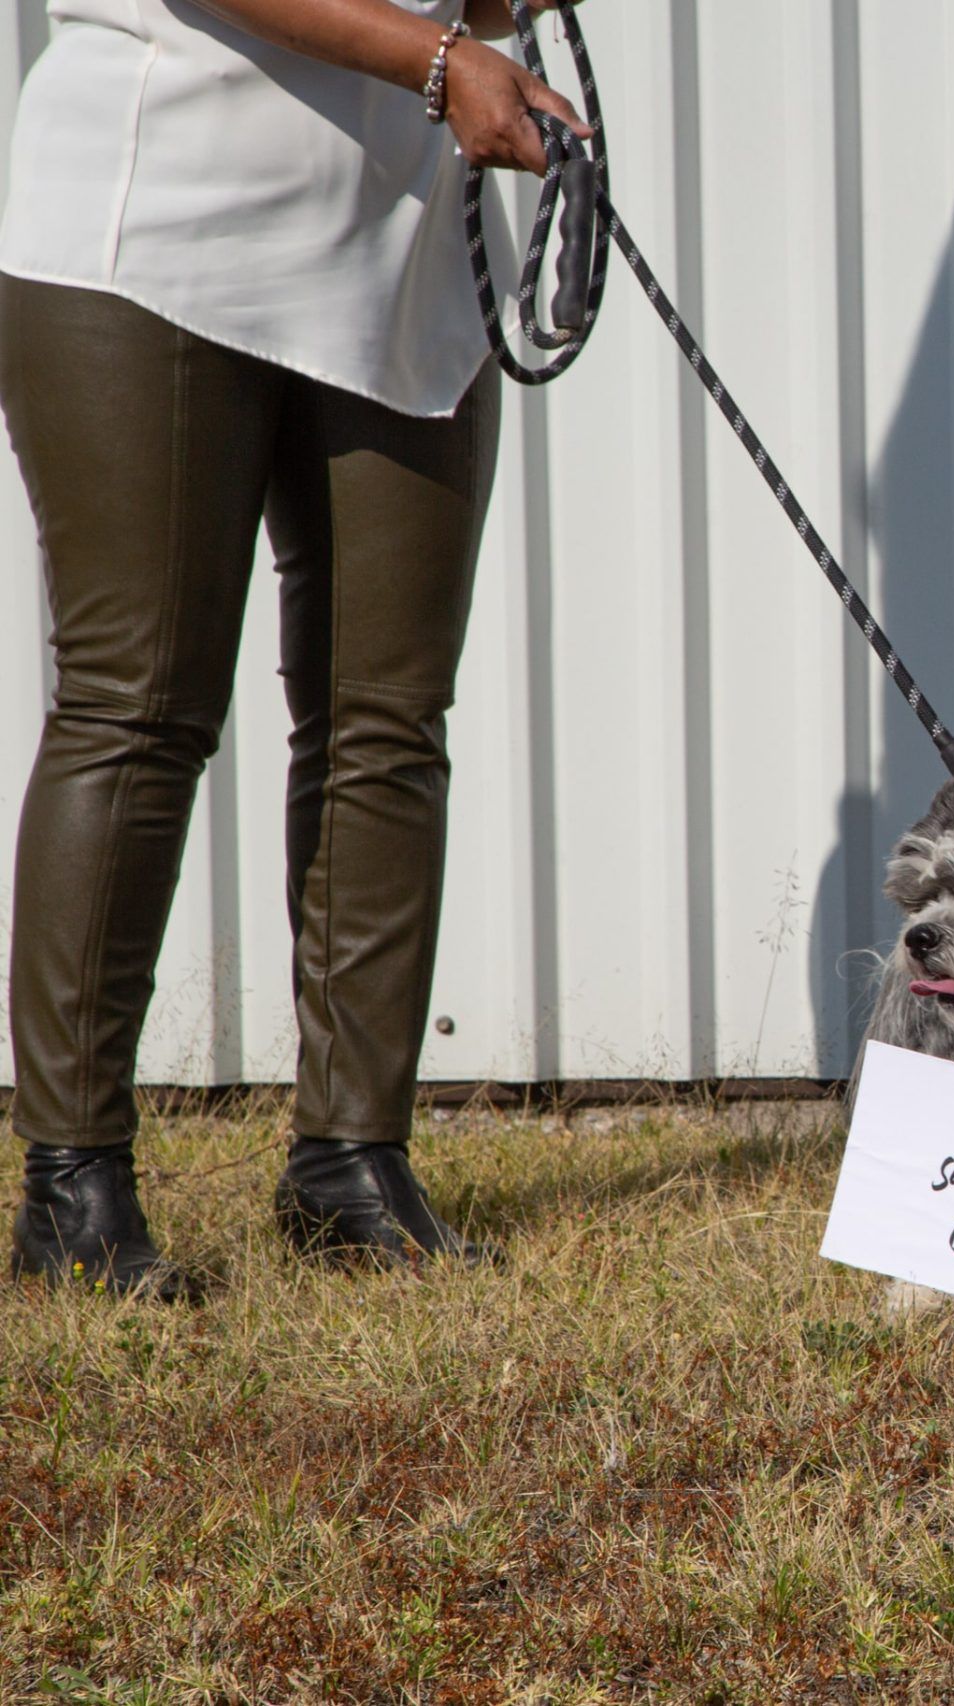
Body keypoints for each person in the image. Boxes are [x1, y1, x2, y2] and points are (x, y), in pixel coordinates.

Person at [2, 0, 589, 1299]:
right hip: (158, 228)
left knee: (387, 720)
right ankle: (72, 1186)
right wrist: (443, 61)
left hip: (398, 250)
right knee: (138, 707)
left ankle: (349, 1165)